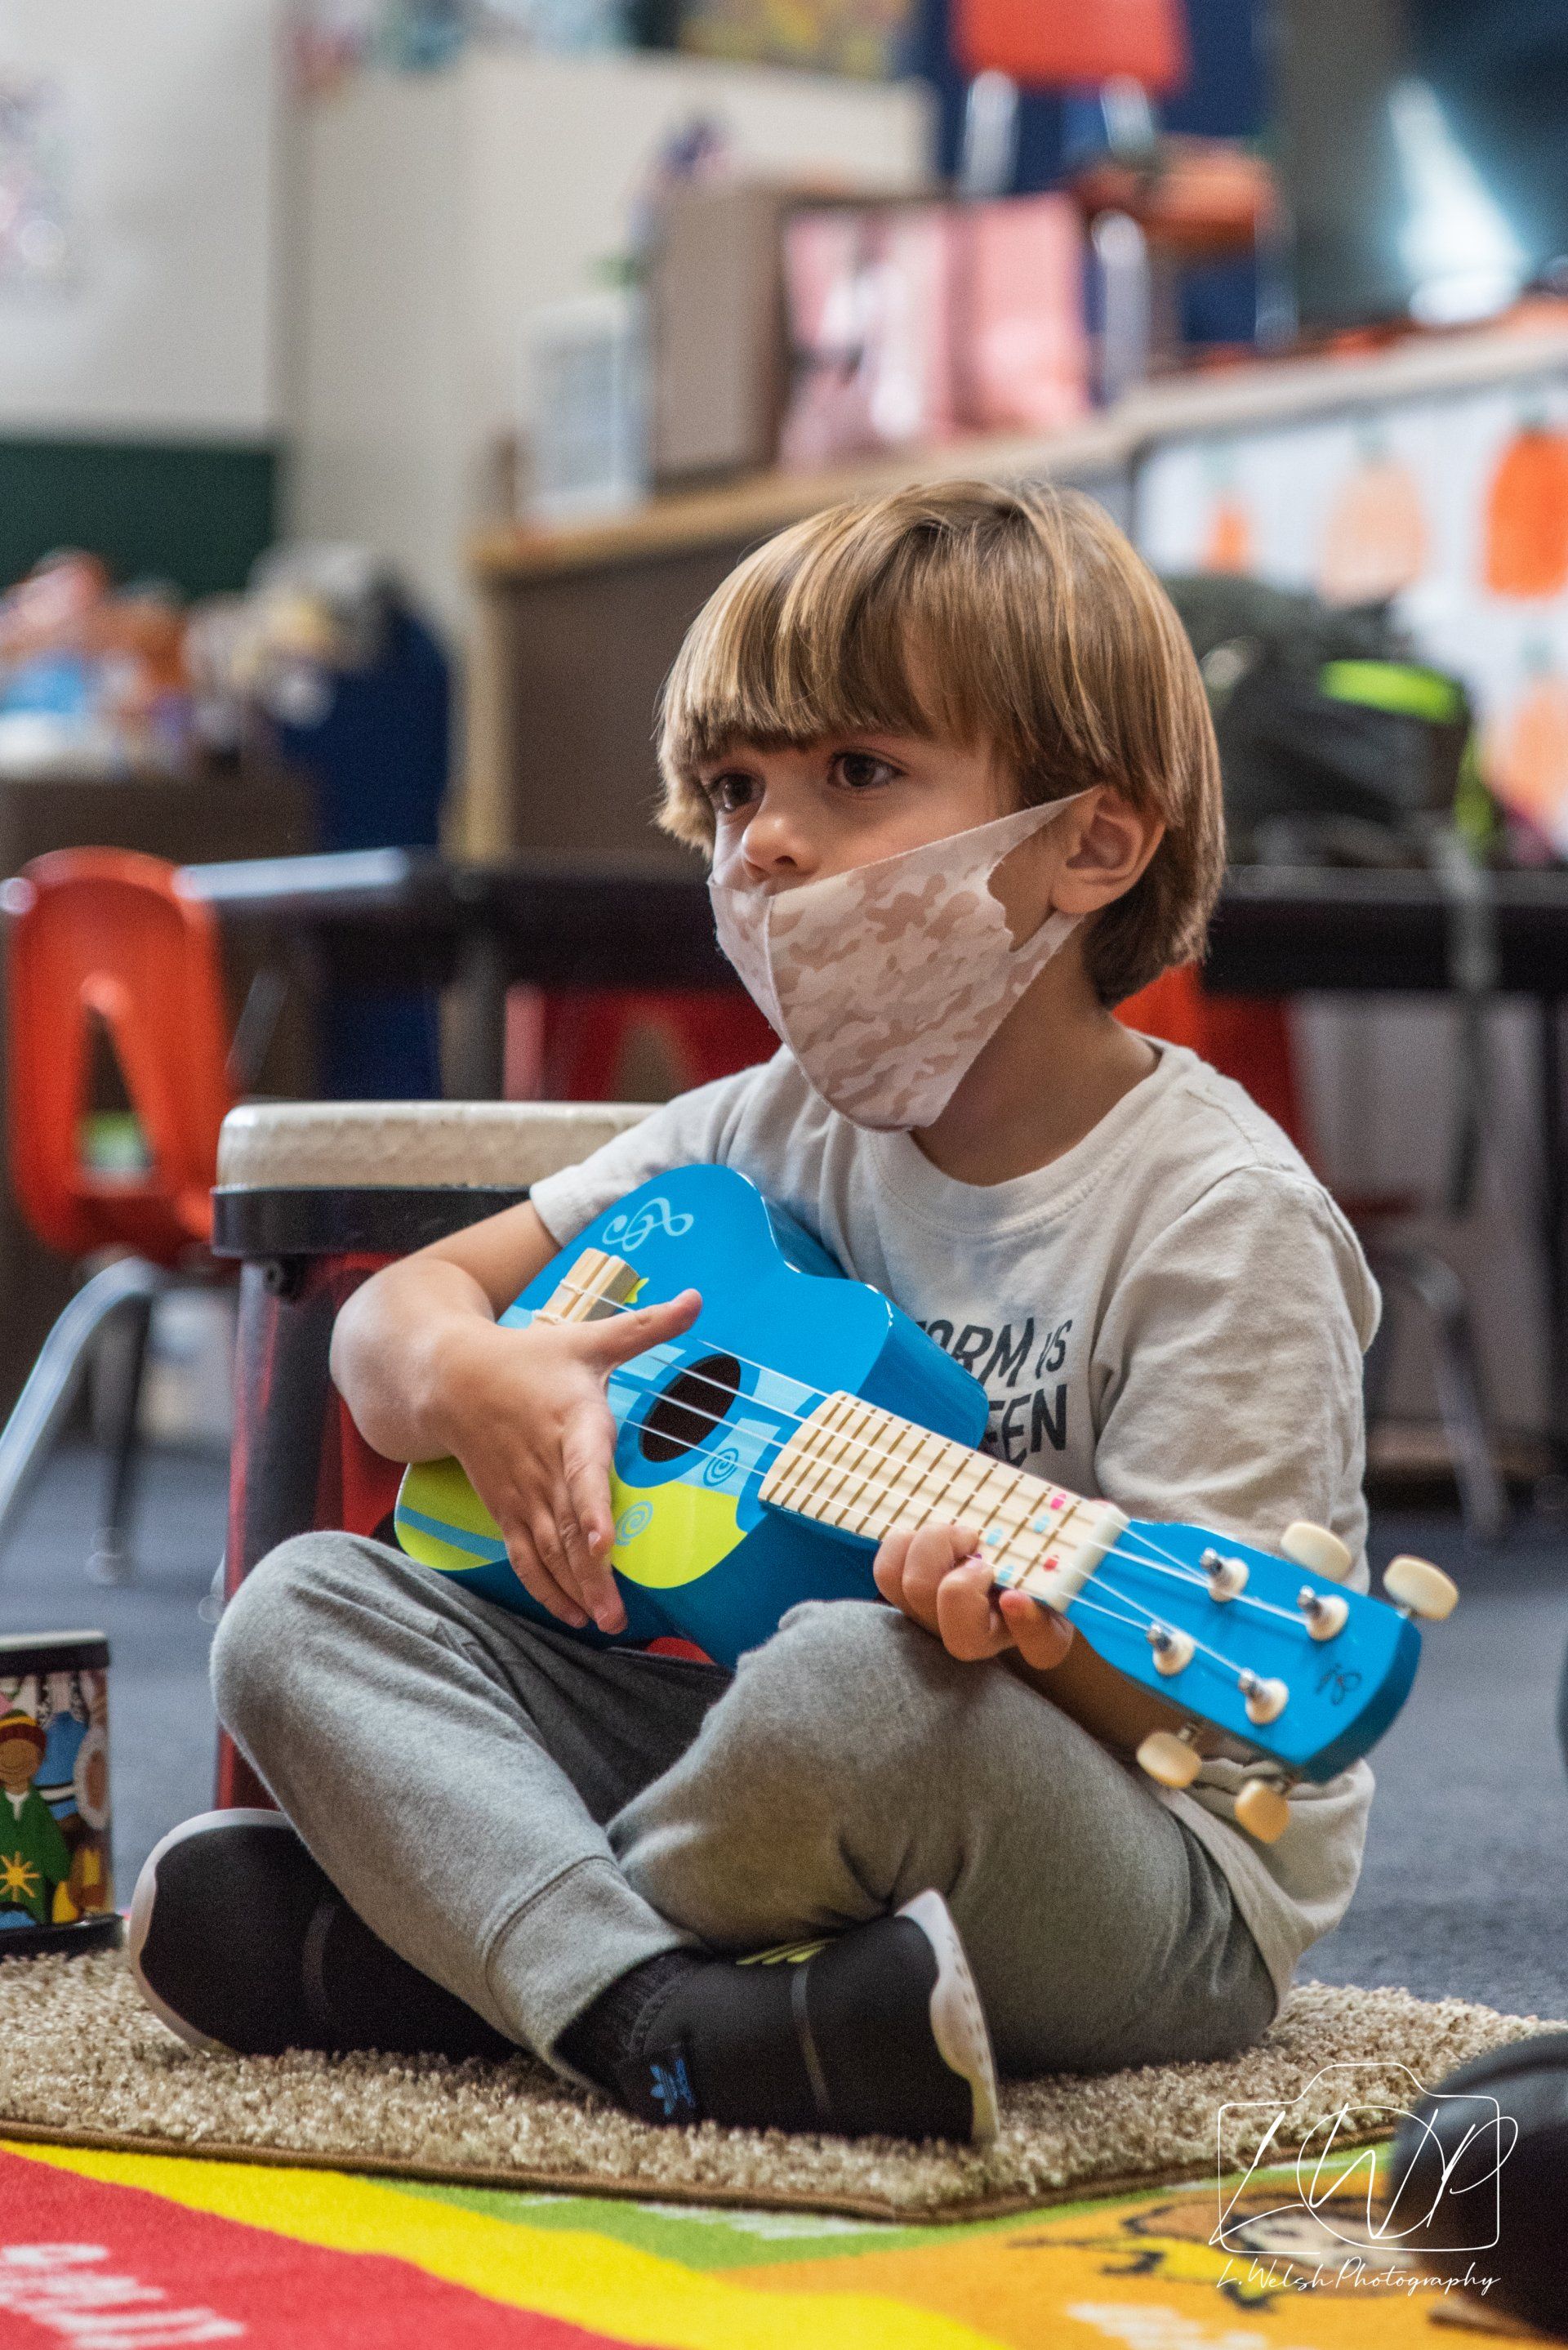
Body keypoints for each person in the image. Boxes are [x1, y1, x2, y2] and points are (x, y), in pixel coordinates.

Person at [131, 483, 1378, 2143]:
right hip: (750, 1754)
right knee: (296, 1611)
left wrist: (1035, 1641)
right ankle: (669, 2018)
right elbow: (387, 1324)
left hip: (1137, 1853)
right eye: (732, 789)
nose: (764, 842)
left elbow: (1216, 1715)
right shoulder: (752, 1127)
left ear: (1093, 842)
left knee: (858, 1681)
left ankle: (471, 1950)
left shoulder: (1221, 1214)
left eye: (855, 771)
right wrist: (471, 1369)